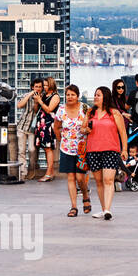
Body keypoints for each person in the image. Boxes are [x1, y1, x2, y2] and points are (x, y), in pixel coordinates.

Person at [85, 86, 128, 220]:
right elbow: (82, 128)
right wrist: (85, 129)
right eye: (95, 95)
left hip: (110, 149)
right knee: (98, 181)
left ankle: (108, 210)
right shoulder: (90, 112)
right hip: (93, 149)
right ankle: (104, 209)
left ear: (105, 97)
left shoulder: (114, 113)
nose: (95, 97)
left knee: (108, 180)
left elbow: (122, 133)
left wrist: (125, 149)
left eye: (98, 95)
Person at [53, 85, 90, 217]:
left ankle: (85, 195)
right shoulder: (61, 110)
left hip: (81, 149)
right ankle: (74, 206)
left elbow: (92, 126)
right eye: (68, 94)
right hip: (66, 148)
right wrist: (61, 140)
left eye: (73, 95)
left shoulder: (85, 108)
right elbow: (56, 127)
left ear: (77, 96)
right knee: (70, 177)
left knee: (80, 177)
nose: (70, 97)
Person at [14, 77, 44, 180]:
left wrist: (37, 101)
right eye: (36, 86)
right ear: (32, 87)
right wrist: (30, 95)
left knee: (32, 149)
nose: (38, 89)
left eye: (40, 87)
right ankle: (23, 171)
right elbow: (19, 105)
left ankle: (32, 169)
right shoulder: (26, 95)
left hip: (33, 128)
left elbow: (36, 111)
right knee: (21, 150)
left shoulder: (42, 97)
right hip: (22, 126)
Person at [32, 78, 59, 181]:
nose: (44, 87)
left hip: (48, 124)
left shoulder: (55, 96)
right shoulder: (43, 95)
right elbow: (36, 110)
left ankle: (48, 173)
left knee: (48, 148)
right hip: (41, 124)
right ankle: (50, 173)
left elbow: (49, 109)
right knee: (45, 148)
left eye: (46, 85)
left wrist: (40, 101)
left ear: (51, 85)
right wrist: (36, 102)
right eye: (44, 85)